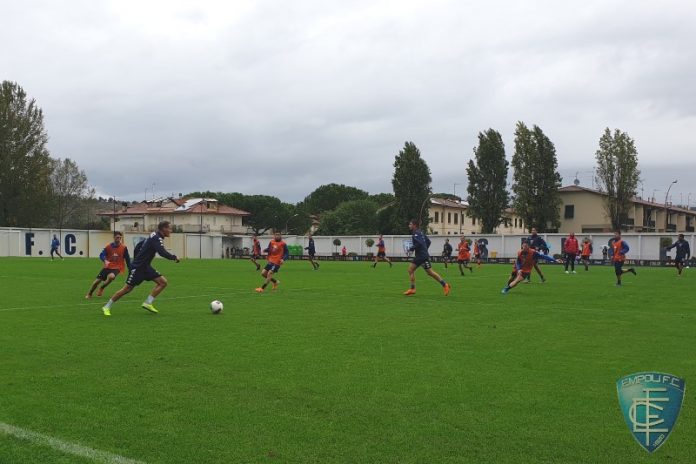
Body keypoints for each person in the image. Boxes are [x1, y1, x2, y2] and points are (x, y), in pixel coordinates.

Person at [101, 221, 180, 316]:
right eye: (169, 228)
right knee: (127, 289)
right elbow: (161, 252)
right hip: (138, 268)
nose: (171, 231)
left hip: (145, 267)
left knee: (163, 282)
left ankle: (148, 303)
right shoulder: (157, 238)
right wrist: (173, 257)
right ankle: (106, 307)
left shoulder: (153, 235)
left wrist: (137, 258)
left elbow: (139, 245)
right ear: (164, 229)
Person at [404, 219, 451, 296]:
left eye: (410, 224)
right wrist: (425, 249)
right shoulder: (421, 233)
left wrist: (412, 248)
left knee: (410, 270)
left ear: (414, 225)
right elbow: (428, 242)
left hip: (420, 256)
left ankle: (412, 289)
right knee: (430, 272)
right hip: (424, 255)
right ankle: (445, 284)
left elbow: (419, 243)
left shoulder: (415, 233)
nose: (409, 226)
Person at [86, 231, 131, 299]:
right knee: (96, 282)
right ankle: (90, 293)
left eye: (120, 237)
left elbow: (127, 258)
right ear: (114, 237)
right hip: (107, 266)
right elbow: (101, 255)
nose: (119, 239)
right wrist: (105, 260)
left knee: (111, 277)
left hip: (117, 267)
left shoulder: (124, 247)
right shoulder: (108, 246)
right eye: (117, 237)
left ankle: (102, 287)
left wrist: (130, 268)